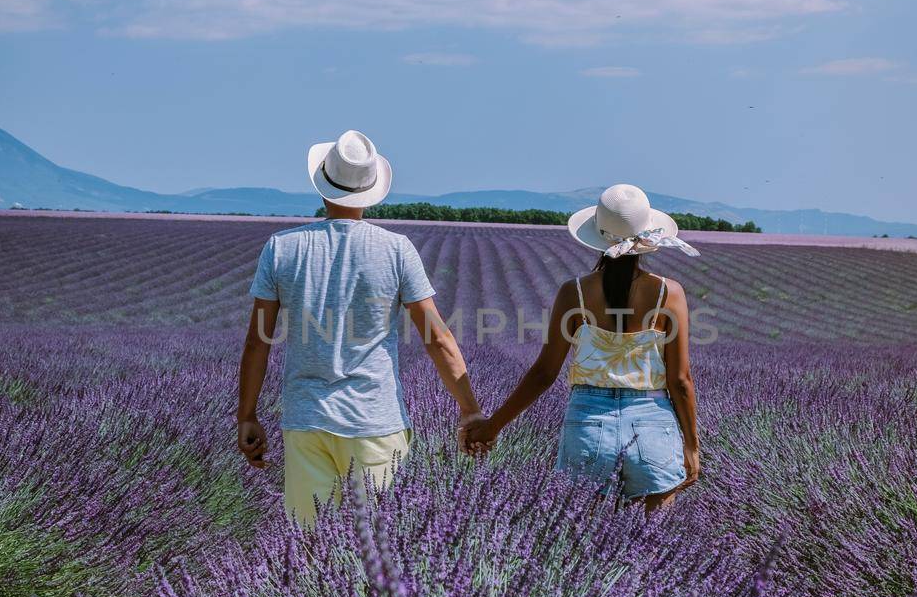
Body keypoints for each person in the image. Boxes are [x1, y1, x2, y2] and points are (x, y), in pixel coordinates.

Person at [237, 129, 482, 527]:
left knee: (310, 549)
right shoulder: (396, 249)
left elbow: (257, 342)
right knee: (381, 553)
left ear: (322, 187)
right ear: (370, 191)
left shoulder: (282, 247)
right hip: (374, 422)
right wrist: (469, 409)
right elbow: (437, 338)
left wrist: (246, 414)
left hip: (306, 421)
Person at [463, 184, 701, 512]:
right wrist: (691, 445)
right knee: (650, 548)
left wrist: (492, 426)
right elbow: (680, 381)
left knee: (586, 543)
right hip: (652, 427)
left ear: (598, 237)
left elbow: (544, 374)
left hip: (589, 426)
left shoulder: (573, 293)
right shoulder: (669, 294)